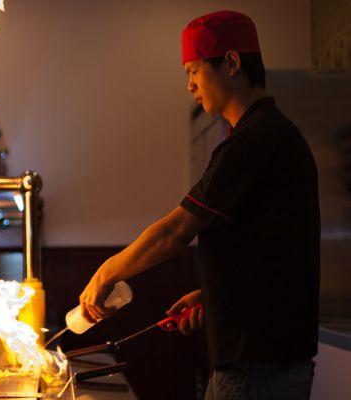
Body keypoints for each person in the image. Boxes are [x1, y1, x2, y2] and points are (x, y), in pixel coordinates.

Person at [79, 10, 319, 400]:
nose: (189, 85)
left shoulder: (254, 141)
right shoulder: (267, 135)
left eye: (193, 71)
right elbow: (271, 252)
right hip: (261, 361)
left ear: (231, 63)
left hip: (258, 367)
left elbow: (176, 231)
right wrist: (214, 296)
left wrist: (105, 273)